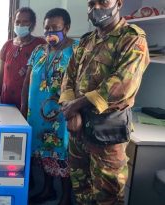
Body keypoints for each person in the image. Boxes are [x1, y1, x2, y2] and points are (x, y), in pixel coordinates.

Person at [59, 0, 149, 204]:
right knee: (81, 187)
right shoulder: (85, 41)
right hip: (78, 130)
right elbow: (69, 77)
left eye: (103, 1)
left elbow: (122, 85)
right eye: (91, 3)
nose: (96, 8)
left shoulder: (132, 39)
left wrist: (75, 106)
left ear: (118, 3)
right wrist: (72, 111)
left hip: (107, 134)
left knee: (108, 194)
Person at [21, 8, 77, 205]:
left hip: (62, 115)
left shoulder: (76, 49)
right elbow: (27, 81)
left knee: (62, 154)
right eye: (46, 28)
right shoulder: (38, 50)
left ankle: (64, 197)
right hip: (36, 113)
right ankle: (47, 190)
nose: (50, 32)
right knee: (41, 153)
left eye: (55, 28)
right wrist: (23, 108)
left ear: (67, 28)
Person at [0, 7, 46, 109]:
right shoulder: (7, 46)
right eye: (17, 21)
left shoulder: (41, 45)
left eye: (25, 22)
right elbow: (0, 75)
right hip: (7, 102)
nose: (20, 25)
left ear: (32, 24)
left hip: (30, 104)